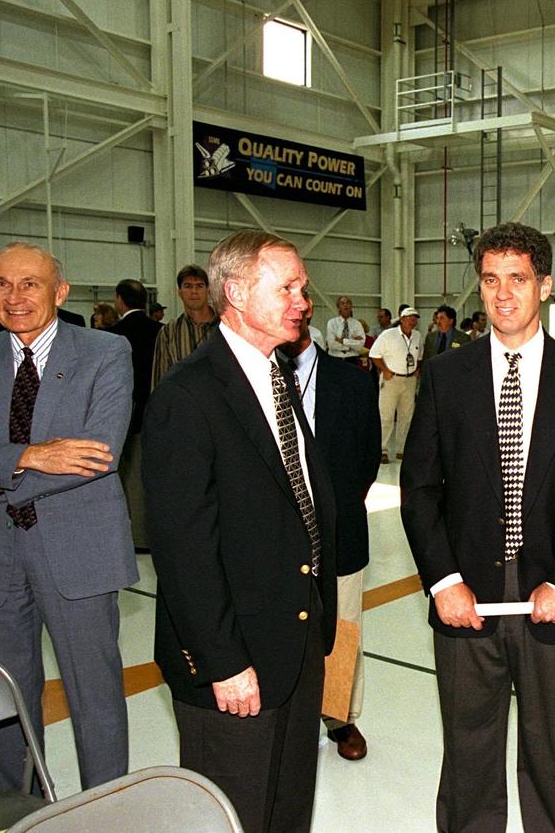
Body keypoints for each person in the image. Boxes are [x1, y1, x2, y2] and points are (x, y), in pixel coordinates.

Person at [401, 221, 555, 832]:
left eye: (518, 279)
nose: (502, 294)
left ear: (545, 286)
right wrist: (444, 580)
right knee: (468, 763)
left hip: (554, 603)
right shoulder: (447, 377)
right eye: (490, 280)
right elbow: (419, 490)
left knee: (552, 764)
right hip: (466, 604)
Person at [0, 241, 137, 793]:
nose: (14, 298)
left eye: (30, 284)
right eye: (1, 285)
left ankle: (107, 811)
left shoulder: (105, 352)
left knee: (95, 694)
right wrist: (24, 457)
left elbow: (98, 453)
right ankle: (21, 805)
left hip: (78, 552)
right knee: (7, 696)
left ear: (59, 292)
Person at [143, 229, 337, 833]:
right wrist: (222, 661)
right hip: (234, 655)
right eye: (288, 288)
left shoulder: (274, 374)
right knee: (234, 816)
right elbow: (183, 549)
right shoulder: (188, 394)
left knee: (287, 808)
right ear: (237, 293)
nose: (303, 300)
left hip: (295, 641)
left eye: (302, 287)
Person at [279, 299, 381, 762]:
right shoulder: (250, 379)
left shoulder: (353, 383)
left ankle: (341, 718)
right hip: (274, 534)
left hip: (341, 529)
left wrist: (332, 510)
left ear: (308, 316)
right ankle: (287, 716)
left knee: (341, 626)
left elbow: (366, 460)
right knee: (280, 625)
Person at [109, 279, 163, 552]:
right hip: (159, 413)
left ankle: (137, 538)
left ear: (120, 300)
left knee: (128, 479)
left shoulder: (113, 334)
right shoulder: (162, 331)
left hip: (126, 417)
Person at [369, 305, 424, 464]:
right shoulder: (388, 335)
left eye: (415, 318)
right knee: (385, 416)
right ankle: (382, 449)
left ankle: (402, 449)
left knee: (406, 417)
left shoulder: (418, 336)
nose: (412, 321)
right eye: (409, 318)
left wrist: (417, 369)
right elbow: (374, 354)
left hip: (409, 380)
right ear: (402, 319)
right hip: (391, 379)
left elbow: (419, 355)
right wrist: (385, 370)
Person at [151, 265, 217, 388]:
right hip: (184, 403)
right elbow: (160, 380)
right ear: (179, 292)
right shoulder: (168, 332)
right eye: (188, 286)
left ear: (208, 290)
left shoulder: (226, 326)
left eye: (199, 286)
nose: (194, 291)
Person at [325, 295, 366, 364]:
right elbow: (331, 344)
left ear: (351, 306)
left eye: (348, 303)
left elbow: (360, 345)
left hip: (352, 360)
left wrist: (343, 341)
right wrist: (350, 346)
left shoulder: (357, 324)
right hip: (335, 359)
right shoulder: (332, 323)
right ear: (338, 307)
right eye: (342, 303)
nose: (345, 305)